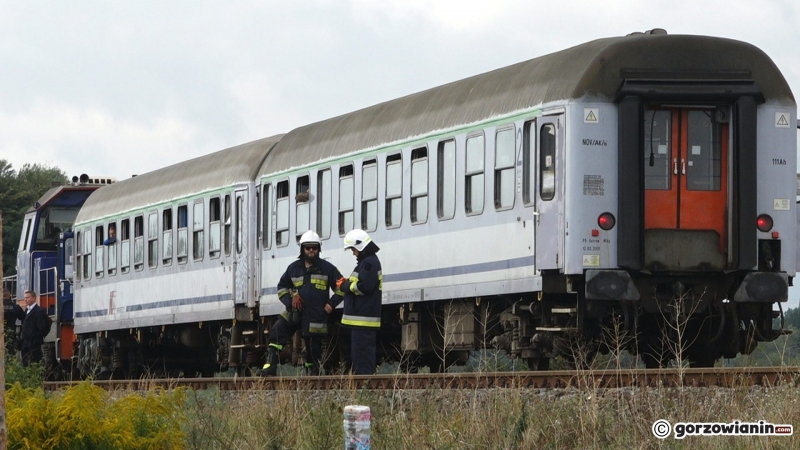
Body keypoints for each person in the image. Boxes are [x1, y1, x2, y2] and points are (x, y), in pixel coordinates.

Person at [258, 230, 344, 376]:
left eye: (314, 248)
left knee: (314, 348)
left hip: (316, 315)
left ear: (319, 249)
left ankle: (313, 373)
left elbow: (342, 288)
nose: (311, 250)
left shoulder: (328, 269)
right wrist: (290, 301)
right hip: (294, 312)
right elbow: (282, 287)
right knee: (277, 332)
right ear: (302, 249)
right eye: (307, 247)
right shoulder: (293, 268)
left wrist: (331, 305)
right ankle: (270, 366)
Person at [338, 229, 383, 375]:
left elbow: (365, 287)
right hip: (361, 321)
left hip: (363, 320)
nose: (353, 253)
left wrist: (345, 286)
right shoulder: (367, 262)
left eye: (353, 249)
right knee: (359, 356)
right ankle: (363, 385)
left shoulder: (369, 263)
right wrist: (348, 282)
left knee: (362, 358)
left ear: (360, 245)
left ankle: (365, 386)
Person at [12, 290, 50, 366]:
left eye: (27, 297)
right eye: (25, 298)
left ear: (34, 298)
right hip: (25, 343)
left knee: (34, 363)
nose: (25, 299)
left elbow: (42, 328)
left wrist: (36, 339)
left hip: (34, 343)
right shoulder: (27, 311)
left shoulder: (39, 311)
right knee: (25, 363)